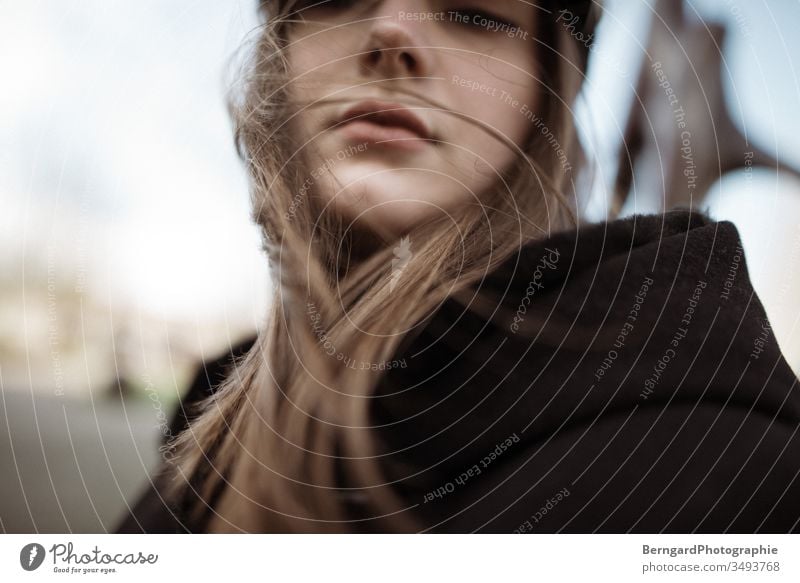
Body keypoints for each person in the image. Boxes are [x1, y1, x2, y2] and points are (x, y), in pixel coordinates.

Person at [116, 0, 800, 533]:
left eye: (474, 11)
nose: (391, 32)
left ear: (546, 91)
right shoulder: (212, 433)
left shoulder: (706, 459)